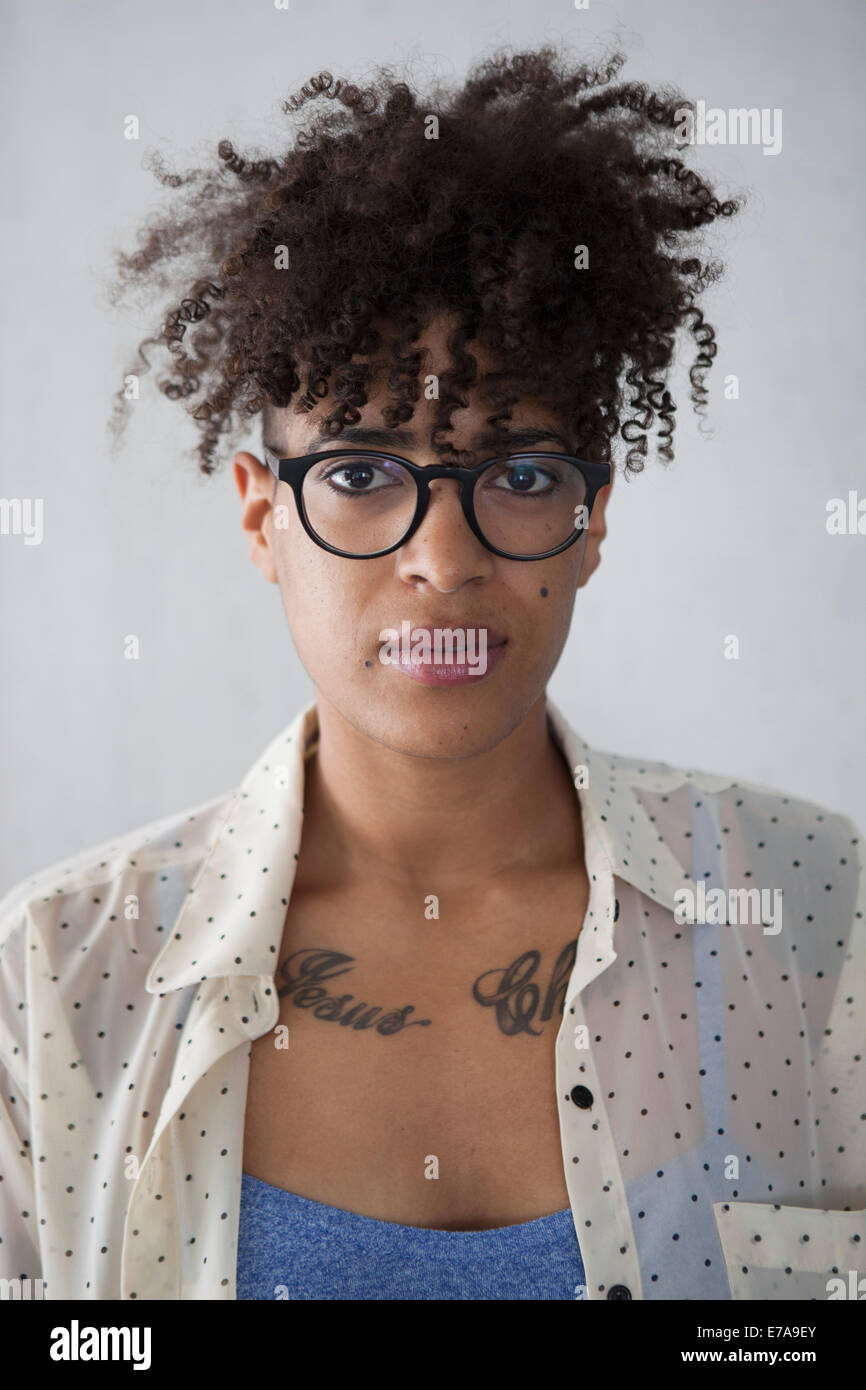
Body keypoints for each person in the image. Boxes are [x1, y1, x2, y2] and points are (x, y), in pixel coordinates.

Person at [0, 47, 862, 1303]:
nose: (441, 561)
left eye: (518, 476)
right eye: (359, 472)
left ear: (594, 513)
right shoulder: (58, 977)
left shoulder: (814, 912)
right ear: (261, 516)